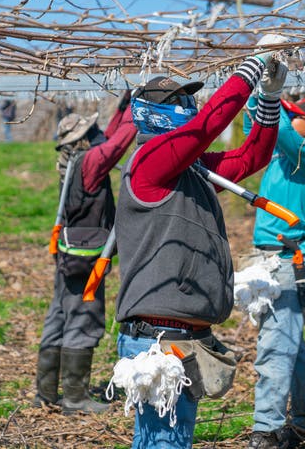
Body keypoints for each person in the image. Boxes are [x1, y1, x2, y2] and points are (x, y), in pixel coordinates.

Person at [113, 35, 288, 448]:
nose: (185, 107)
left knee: (165, 442)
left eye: (188, 100)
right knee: (164, 443)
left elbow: (250, 159)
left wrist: (270, 97)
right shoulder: (149, 162)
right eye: (175, 100)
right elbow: (205, 127)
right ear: (150, 113)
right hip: (160, 337)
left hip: (183, 333)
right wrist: (253, 65)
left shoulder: (190, 169)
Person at [34, 91, 137, 413]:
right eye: (91, 132)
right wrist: (140, 110)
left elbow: (108, 137)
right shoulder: (89, 163)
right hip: (84, 259)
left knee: (59, 316)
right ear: (82, 140)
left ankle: (46, 393)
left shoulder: (76, 161)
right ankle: (76, 398)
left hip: (69, 253)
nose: (98, 135)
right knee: (84, 318)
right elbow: (117, 145)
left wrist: (123, 107)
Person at [242, 95, 305, 449]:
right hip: (274, 261)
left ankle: (267, 432)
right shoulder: (280, 153)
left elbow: (274, 124)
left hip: (291, 264)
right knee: (291, 345)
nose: (285, 118)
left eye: (294, 116)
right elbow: (255, 126)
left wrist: (271, 91)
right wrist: (254, 90)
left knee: (276, 349)